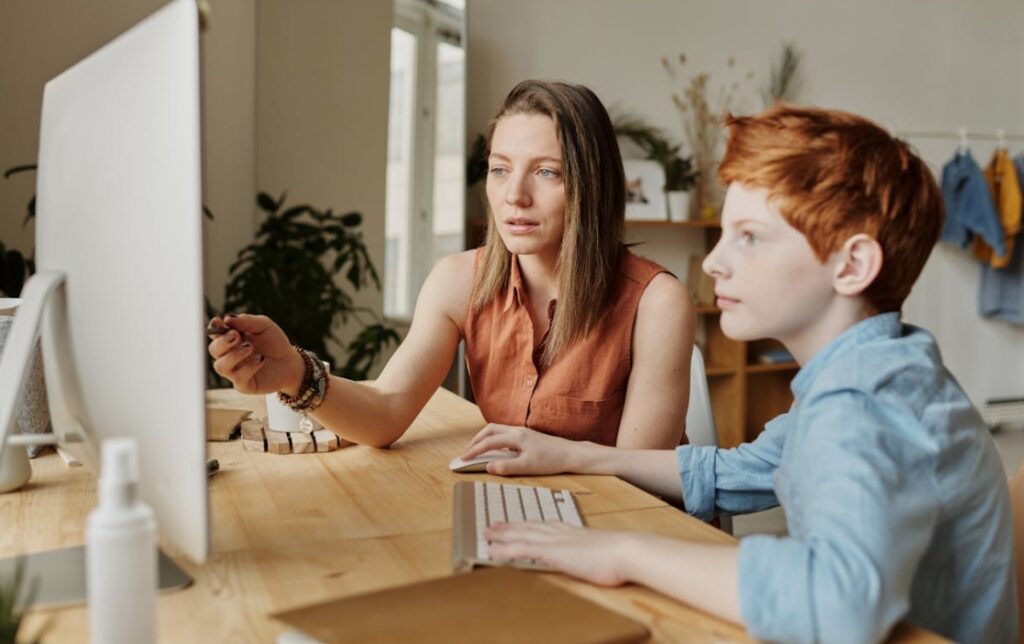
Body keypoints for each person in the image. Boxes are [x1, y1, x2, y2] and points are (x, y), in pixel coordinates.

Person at [465, 105, 1018, 643]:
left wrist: (621, 552)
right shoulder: (877, 368)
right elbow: (739, 472)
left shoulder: (863, 401)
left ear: (852, 266)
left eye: (749, 237)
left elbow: (837, 603)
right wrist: (572, 455)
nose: (713, 262)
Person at [208, 79, 695, 450]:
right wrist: (295, 372)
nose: (514, 196)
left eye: (547, 172)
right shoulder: (459, 280)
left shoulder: (657, 303)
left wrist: (543, 460)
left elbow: (640, 483)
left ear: (593, 186)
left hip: (628, 533)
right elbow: (386, 411)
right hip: (529, 516)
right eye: (500, 169)